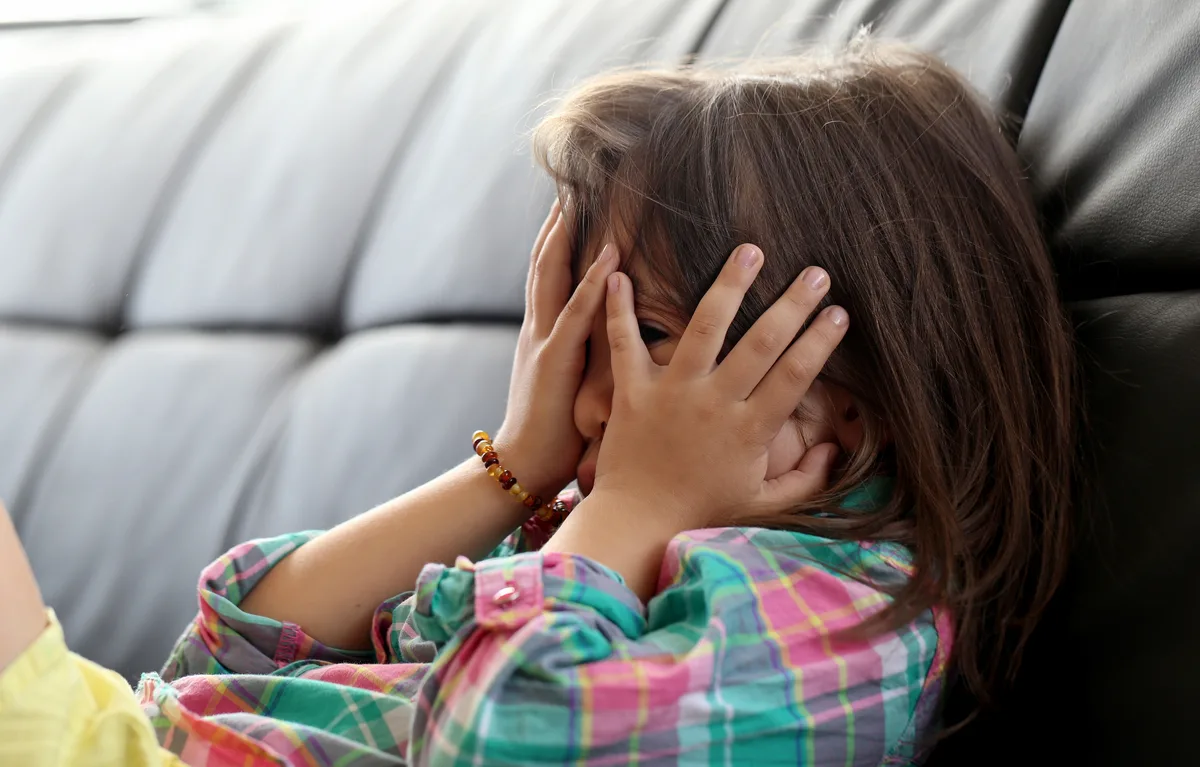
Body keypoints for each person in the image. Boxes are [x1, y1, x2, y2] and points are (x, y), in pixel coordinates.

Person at [0, 38, 1076, 766]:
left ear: (844, 407)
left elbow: (496, 738)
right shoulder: (605, 533)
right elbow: (227, 649)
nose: (595, 395)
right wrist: (511, 462)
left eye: (644, 337)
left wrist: (635, 505)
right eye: (577, 327)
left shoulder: (841, 617)